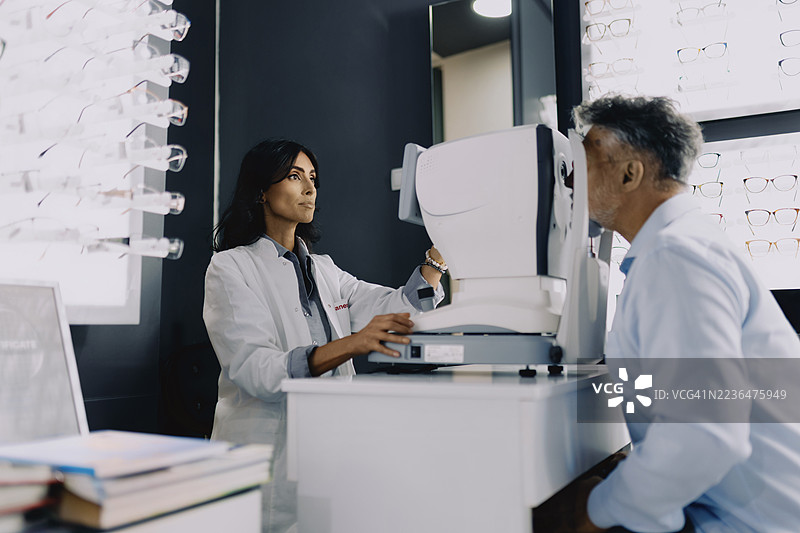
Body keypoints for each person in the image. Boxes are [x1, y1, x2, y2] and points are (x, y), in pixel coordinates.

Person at [559, 95, 800, 532]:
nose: (570, 177)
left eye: (586, 158)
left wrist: (599, 509)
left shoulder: (674, 257)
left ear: (631, 173)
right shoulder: (676, 248)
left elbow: (704, 434)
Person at [203, 139, 445, 533]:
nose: (310, 188)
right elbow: (256, 370)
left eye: (312, 178)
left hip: (329, 450)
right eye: (295, 177)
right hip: (266, 460)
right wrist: (354, 342)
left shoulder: (325, 270)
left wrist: (439, 255)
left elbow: (398, 308)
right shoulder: (230, 268)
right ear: (262, 190)